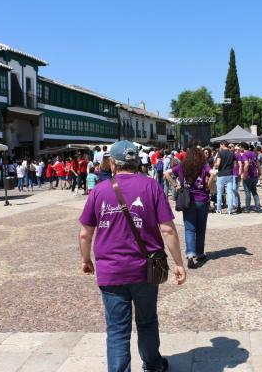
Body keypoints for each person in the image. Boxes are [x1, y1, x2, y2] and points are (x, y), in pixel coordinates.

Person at [78, 140, 186, 372]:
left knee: (117, 329)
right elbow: (167, 229)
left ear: (113, 165)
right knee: (147, 321)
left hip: (111, 271)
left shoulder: (99, 190)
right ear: (136, 161)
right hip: (145, 269)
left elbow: (85, 233)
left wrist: (86, 260)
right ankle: (153, 364)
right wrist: (179, 262)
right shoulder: (151, 187)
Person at [165, 148, 216, 269]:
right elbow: (213, 173)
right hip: (202, 200)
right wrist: (208, 186)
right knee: (200, 228)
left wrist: (176, 185)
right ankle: (199, 253)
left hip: (187, 201)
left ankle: (190, 254)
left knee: (189, 229)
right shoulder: (203, 166)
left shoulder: (182, 167)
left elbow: (166, 173)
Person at [214, 141, 235, 214]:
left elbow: (218, 164)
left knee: (219, 193)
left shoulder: (220, 152)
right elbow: (234, 165)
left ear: (222, 145)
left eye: (220, 145)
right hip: (229, 174)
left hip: (221, 174)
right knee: (229, 192)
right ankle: (229, 210)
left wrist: (215, 165)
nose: (220, 146)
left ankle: (219, 209)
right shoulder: (232, 153)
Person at [239, 143, 261, 212]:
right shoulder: (253, 153)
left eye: (240, 147)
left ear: (243, 148)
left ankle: (247, 208)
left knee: (247, 192)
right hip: (255, 175)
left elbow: (247, 164)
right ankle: (257, 207)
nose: (239, 149)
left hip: (248, 176)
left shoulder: (244, 155)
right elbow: (258, 163)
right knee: (254, 191)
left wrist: (245, 174)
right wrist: (259, 172)